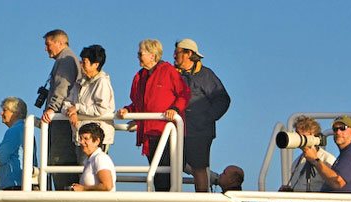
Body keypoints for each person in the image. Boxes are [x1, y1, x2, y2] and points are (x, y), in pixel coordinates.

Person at [118, 39, 190, 192]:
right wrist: (127, 110)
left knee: (165, 175)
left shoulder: (168, 71)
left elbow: (184, 94)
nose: (138, 56)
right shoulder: (139, 76)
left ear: (152, 55)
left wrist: (175, 109)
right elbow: (138, 103)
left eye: (140, 53)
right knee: (157, 175)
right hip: (148, 135)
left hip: (166, 132)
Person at [174, 38, 231, 192]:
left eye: (177, 52)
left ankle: (202, 199)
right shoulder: (172, 74)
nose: (173, 56)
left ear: (188, 54)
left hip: (199, 131)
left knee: (199, 167)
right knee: (172, 165)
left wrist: (206, 118)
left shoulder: (205, 75)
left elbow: (222, 99)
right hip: (177, 131)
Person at [278, 116, 337, 202]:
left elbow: (334, 184)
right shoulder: (297, 162)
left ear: (311, 134)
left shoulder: (327, 159)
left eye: (300, 134)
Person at [40, 29, 81, 190]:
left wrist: (52, 108)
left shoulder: (65, 60)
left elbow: (62, 87)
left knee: (60, 158)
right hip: (61, 118)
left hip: (62, 120)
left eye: (48, 44)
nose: (46, 48)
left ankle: (64, 192)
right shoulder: (65, 59)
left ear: (59, 42)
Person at [62, 44, 116, 154]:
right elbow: (66, 103)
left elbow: (101, 109)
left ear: (95, 64)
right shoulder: (79, 82)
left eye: (84, 62)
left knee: (92, 169)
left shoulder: (102, 82)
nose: (81, 65)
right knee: (83, 170)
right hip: (80, 136)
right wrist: (71, 112)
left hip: (96, 138)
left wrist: (77, 108)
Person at [0, 97, 38, 190]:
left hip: (13, 183)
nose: (1, 113)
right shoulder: (26, 129)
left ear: (15, 113)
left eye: (5, 110)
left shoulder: (14, 130)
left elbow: (0, 157)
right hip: (25, 182)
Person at [71, 123, 115, 192]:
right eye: (80, 138)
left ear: (97, 141)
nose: (82, 142)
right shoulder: (90, 160)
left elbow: (107, 186)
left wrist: (83, 188)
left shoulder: (100, 158)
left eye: (86, 139)